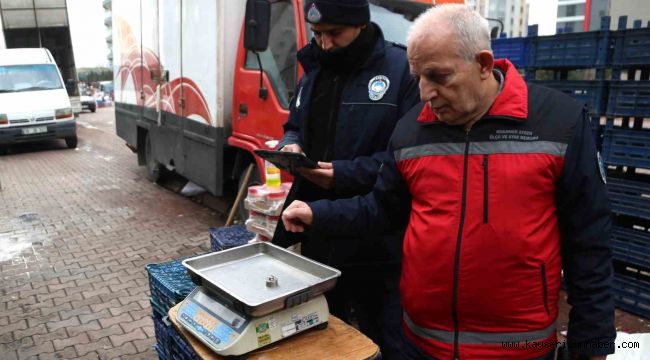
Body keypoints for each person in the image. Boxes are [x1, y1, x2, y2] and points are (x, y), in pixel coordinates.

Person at [281, 4, 615, 360]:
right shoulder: (411, 130)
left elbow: (590, 244)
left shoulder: (558, 123)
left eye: (438, 77)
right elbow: (382, 209)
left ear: (484, 64)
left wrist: (592, 347)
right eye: (418, 77)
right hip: (421, 346)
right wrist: (318, 214)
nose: (425, 93)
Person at [272, 0, 420, 358]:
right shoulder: (314, 71)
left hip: (378, 242)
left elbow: (408, 159)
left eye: (334, 34)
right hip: (320, 232)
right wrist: (290, 146)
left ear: (361, 25)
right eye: (318, 34)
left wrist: (343, 175)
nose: (324, 44)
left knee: (384, 341)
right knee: (325, 337)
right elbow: (293, 126)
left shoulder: (402, 72)